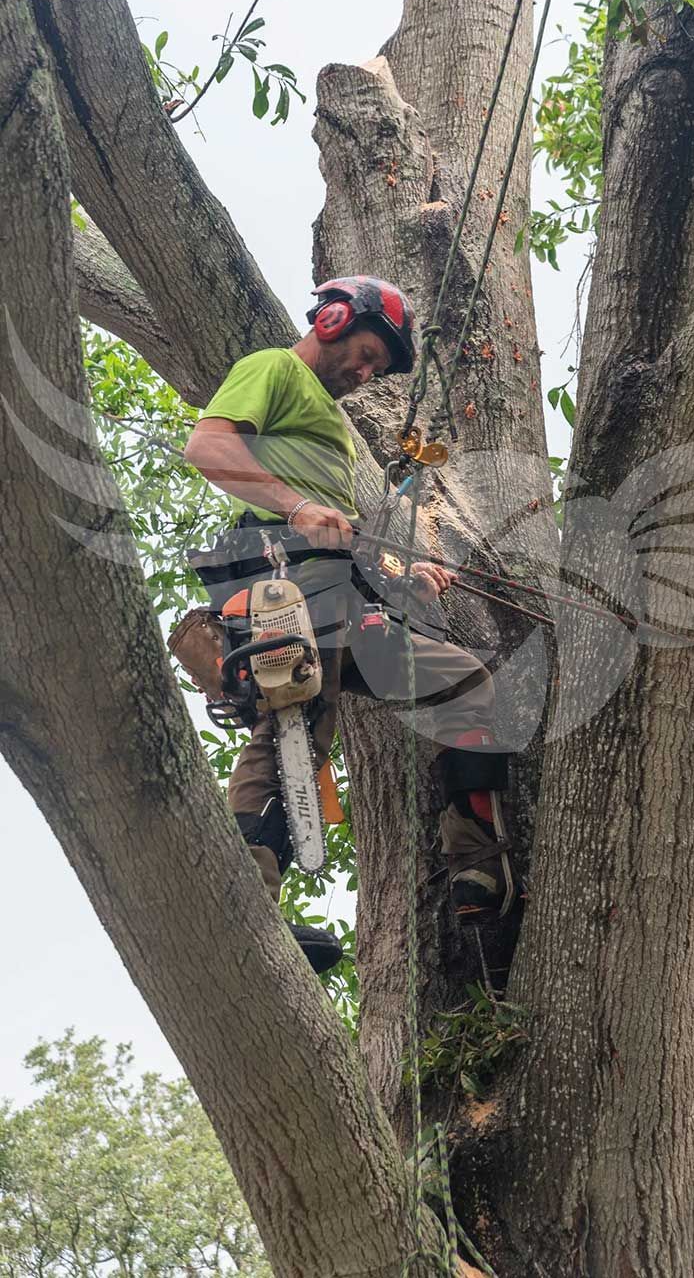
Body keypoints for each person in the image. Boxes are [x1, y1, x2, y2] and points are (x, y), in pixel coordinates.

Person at [183, 276, 516, 972]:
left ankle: (476, 867)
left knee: (466, 684)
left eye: (375, 369)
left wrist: (401, 574)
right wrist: (297, 506)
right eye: (365, 354)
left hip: (340, 590)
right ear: (333, 320)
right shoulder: (272, 369)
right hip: (284, 586)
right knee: (298, 722)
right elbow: (208, 448)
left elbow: (339, 534)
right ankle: (246, 906)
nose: (364, 374)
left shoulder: (331, 426)